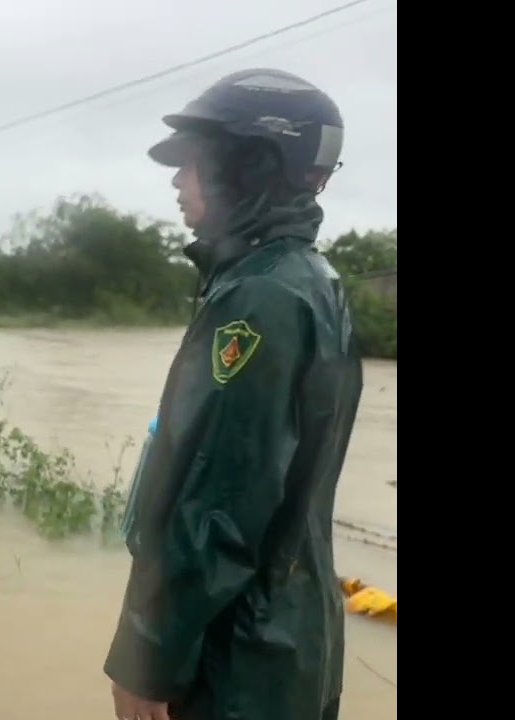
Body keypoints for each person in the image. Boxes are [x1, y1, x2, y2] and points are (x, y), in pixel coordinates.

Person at [103, 68, 364, 720]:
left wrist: (147, 657)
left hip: (235, 665)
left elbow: (219, 506)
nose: (176, 180)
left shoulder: (262, 297)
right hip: (283, 647)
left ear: (251, 164)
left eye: (191, 162)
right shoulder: (308, 281)